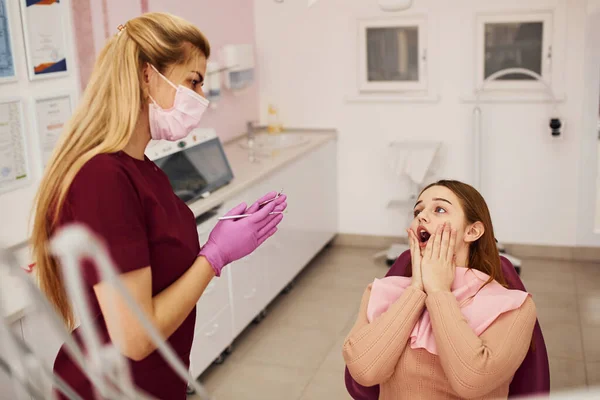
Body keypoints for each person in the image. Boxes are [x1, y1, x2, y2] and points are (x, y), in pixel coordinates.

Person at [30, 12, 287, 400]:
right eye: (193, 82)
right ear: (147, 75)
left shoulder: (143, 167)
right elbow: (135, 337)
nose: (201, 98)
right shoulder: (102, 176)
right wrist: (214, 257)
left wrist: (220, 238)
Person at [343, 180, 538, 399]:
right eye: (418, 210)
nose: (421, 216)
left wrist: (439, 292)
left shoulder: (512, 306)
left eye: (439, 209)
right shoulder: (380, 292)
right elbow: (364, 372)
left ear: (472, 231)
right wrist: (416, 289)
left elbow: (471, 381)